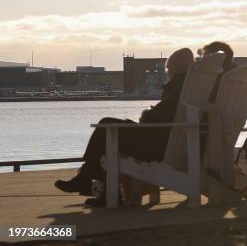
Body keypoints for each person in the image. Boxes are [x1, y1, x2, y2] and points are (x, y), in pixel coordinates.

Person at [54, 48, 195, 205]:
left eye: (169, 69)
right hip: (167, 141)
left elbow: (161, 115)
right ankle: (95, 185)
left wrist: (146, 114)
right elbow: (167, 114)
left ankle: (87, 178)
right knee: (109, 132)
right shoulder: (188, 87)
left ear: (174, 69)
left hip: (157, 145)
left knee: (106, 125)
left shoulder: (177, 87)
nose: (167, 72)